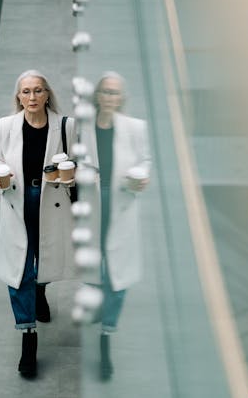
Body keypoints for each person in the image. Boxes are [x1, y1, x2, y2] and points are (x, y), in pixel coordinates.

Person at [0, 69, 77, 378]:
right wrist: (1, 175)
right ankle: (29, 338)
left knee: (46, 260)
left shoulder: (65, 125)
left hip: (51, 205)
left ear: (47, 94)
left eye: (38, 91)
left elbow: (79, 162)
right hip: (18, 203)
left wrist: (69, 174)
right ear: (18, 96)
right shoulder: (6, 125)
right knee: (19, 271)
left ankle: (41, 290)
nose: (32, 97)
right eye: (26, 91)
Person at [89, 71, 151, 380]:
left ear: (121, 98)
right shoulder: (82, 128)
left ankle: (106, 338)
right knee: (90, 266)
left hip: (120, 205)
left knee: (118, 275)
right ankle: (97, 299)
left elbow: (145, 162)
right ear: (97, 95)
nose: (110, 97)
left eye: (115, 92)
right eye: (105, 91)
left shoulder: (135, 128)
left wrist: (140, 178)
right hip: (90, 206)